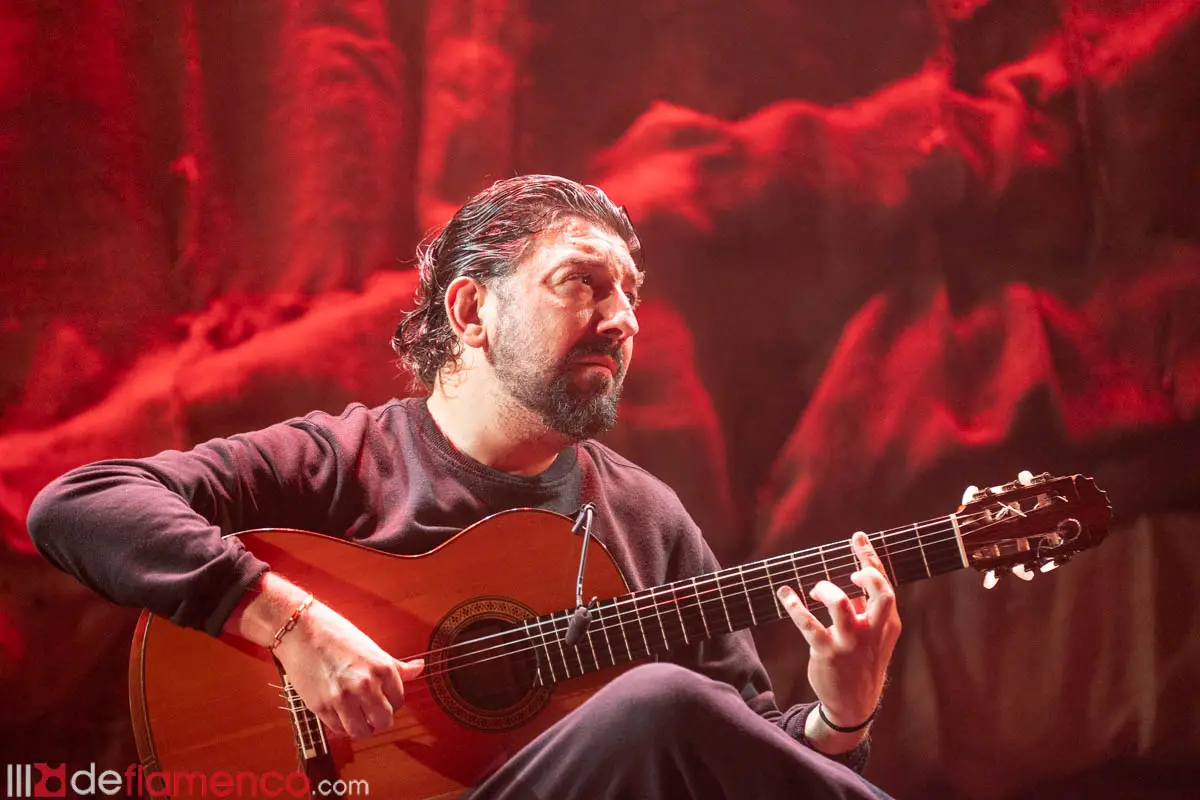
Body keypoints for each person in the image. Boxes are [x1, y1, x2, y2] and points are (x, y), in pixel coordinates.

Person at [28, 175, 901, 799]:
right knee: (661, 701)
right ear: (471, 312)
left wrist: (840, 716)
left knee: (672, 708)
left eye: (631, 294)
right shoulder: (345, 459)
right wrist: (293, 626)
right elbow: (79, 503)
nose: (624, 318)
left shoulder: (644, 516)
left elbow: (743, 754)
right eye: (583, 283)